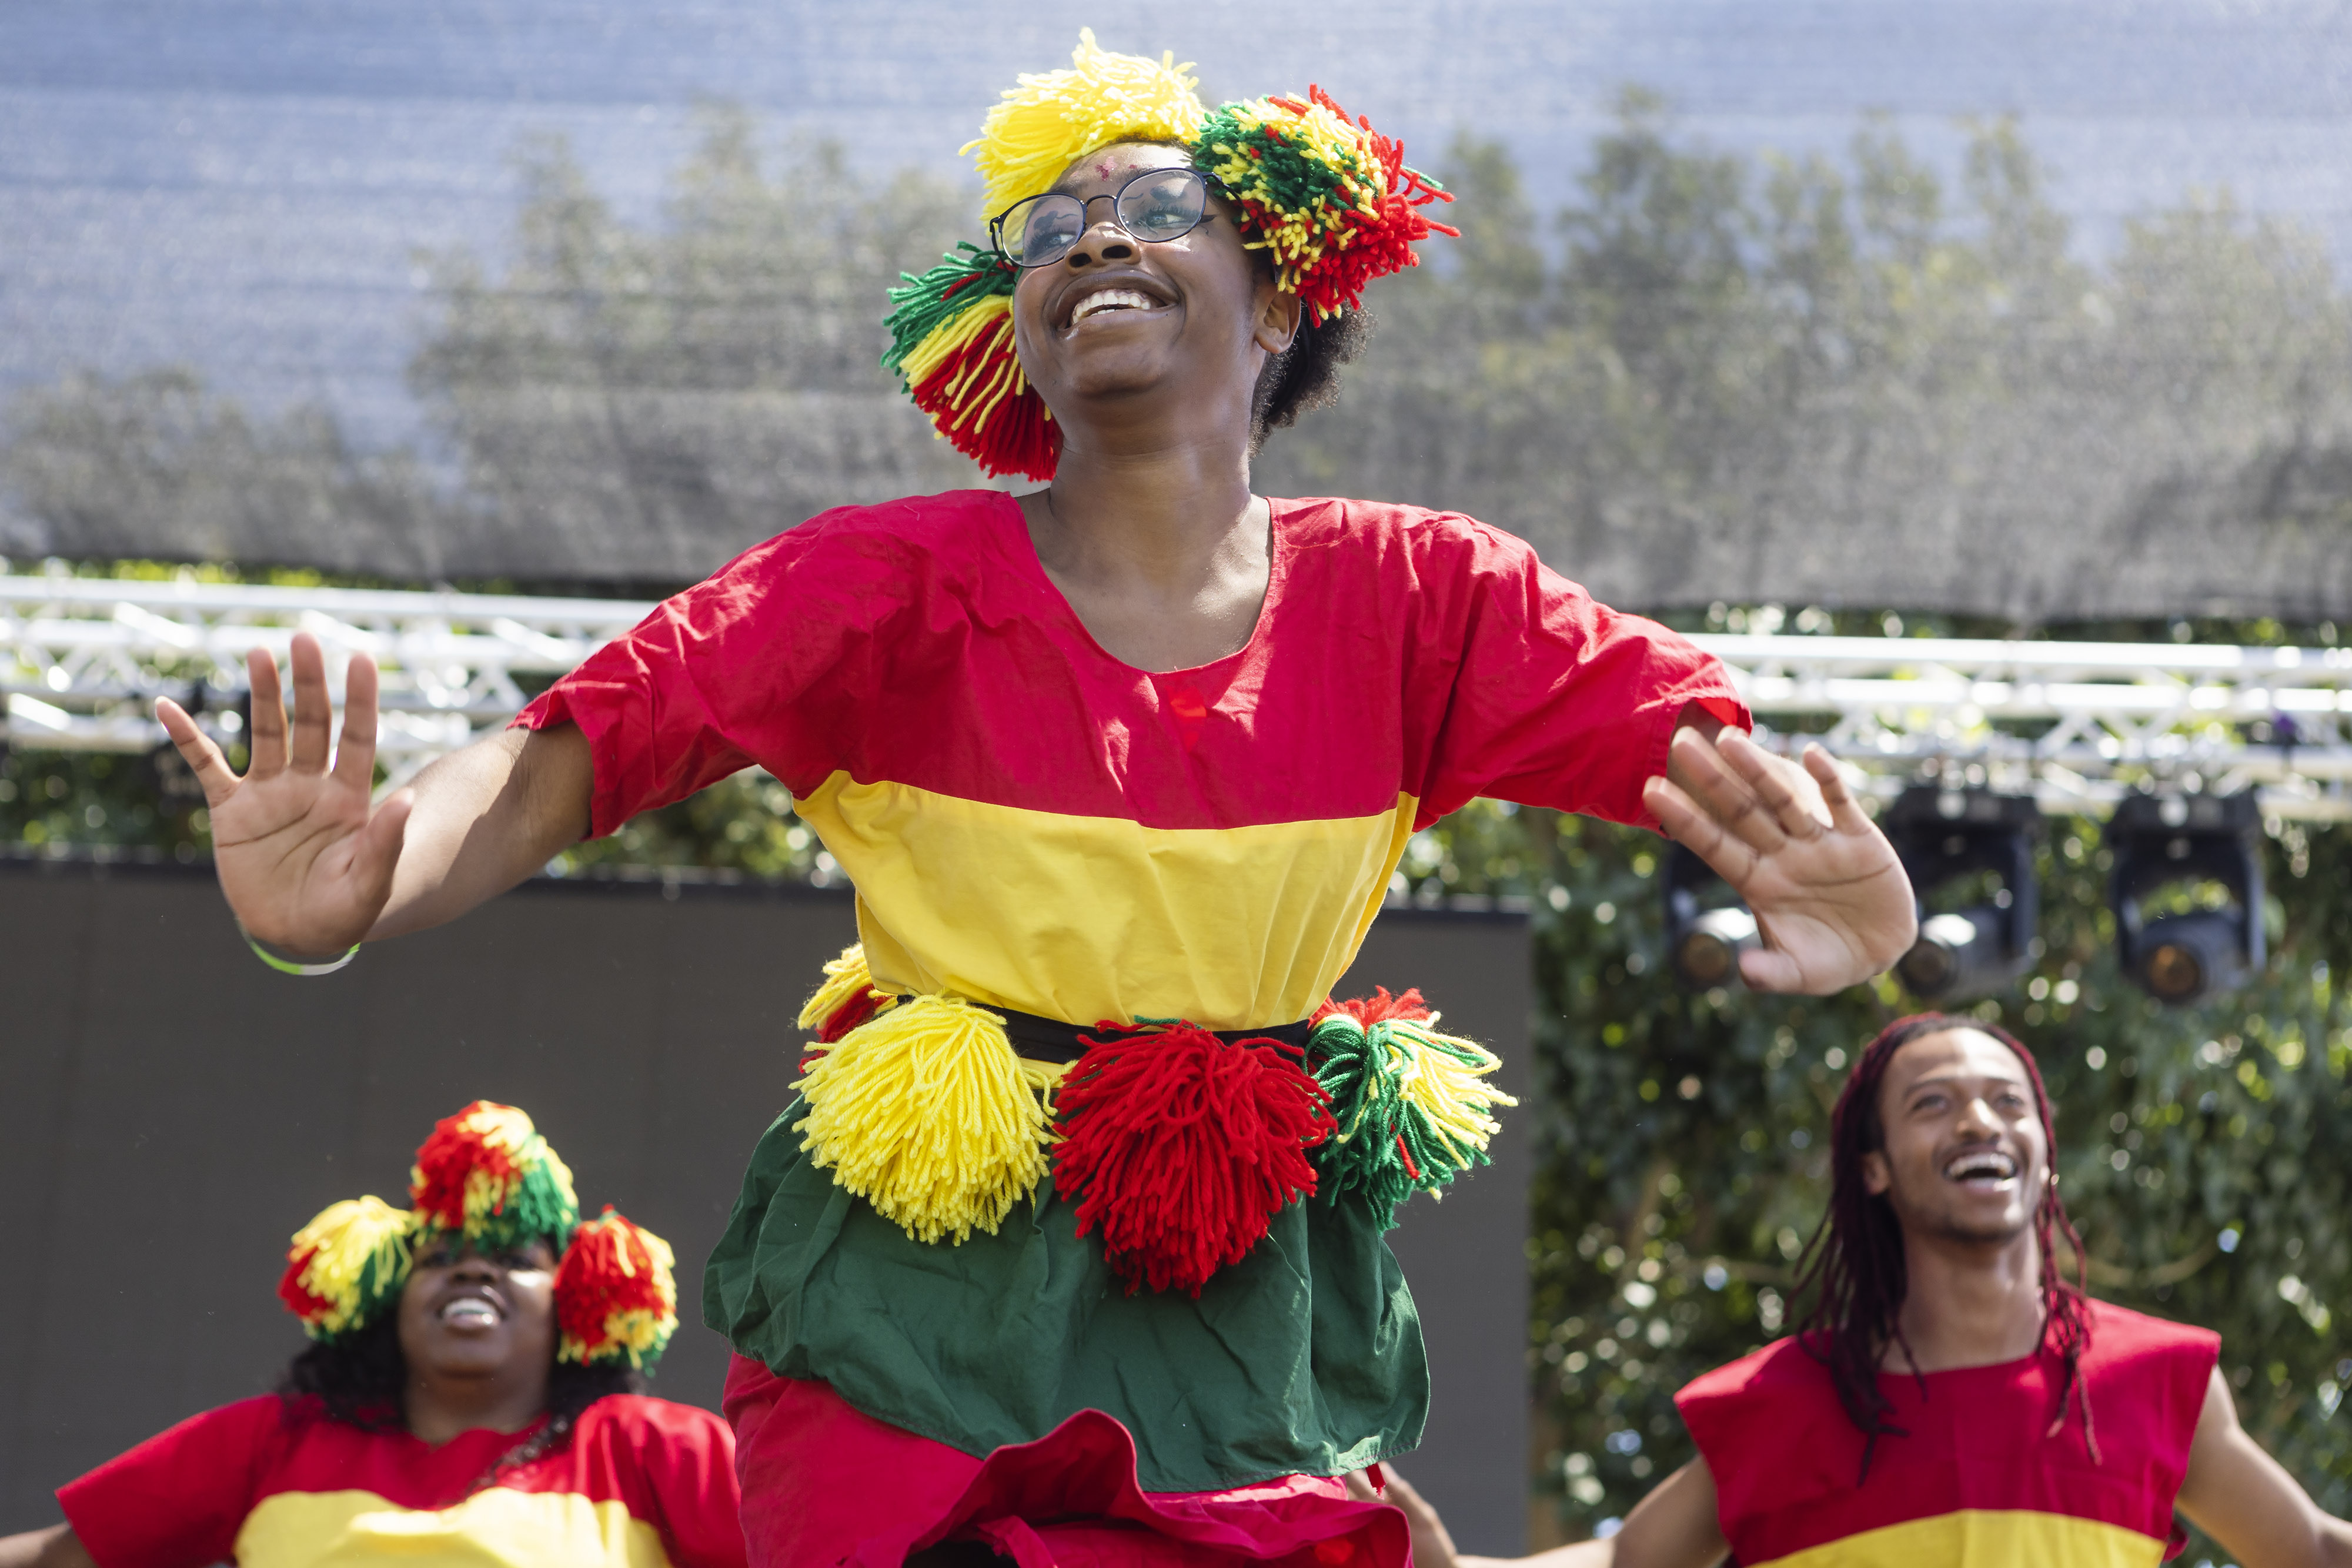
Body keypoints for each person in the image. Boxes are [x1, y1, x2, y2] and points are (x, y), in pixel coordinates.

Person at [151, 34, 1917, 1566]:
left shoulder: (1420, 595)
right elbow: (578, 749)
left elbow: (1698, 748)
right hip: (920, 1278)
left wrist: (1854, 891)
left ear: (1277, 299)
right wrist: (360, 891)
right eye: (1050, 229)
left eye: (1154, 206)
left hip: (1236, 1280)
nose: (1094, 239)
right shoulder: (880, 586)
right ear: (1016, 326)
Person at [1397, 1014, 2352, 1568]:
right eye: (1933, 1103)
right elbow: (1624, 1561)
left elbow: (2309, 1548)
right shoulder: (1785, 1403)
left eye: (2008, 1100)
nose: (1979, 1119)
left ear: (2044, 1151)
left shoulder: (2157, 1379)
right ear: (1875, 1168)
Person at [0, 1102, 744, 1568]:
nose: (471, 1272)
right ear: (391, 1299)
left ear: (572, 1300)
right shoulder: (275, 1441)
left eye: (514, 1261)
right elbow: (59, 1558)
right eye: (439, 1260)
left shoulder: (648, 1447)